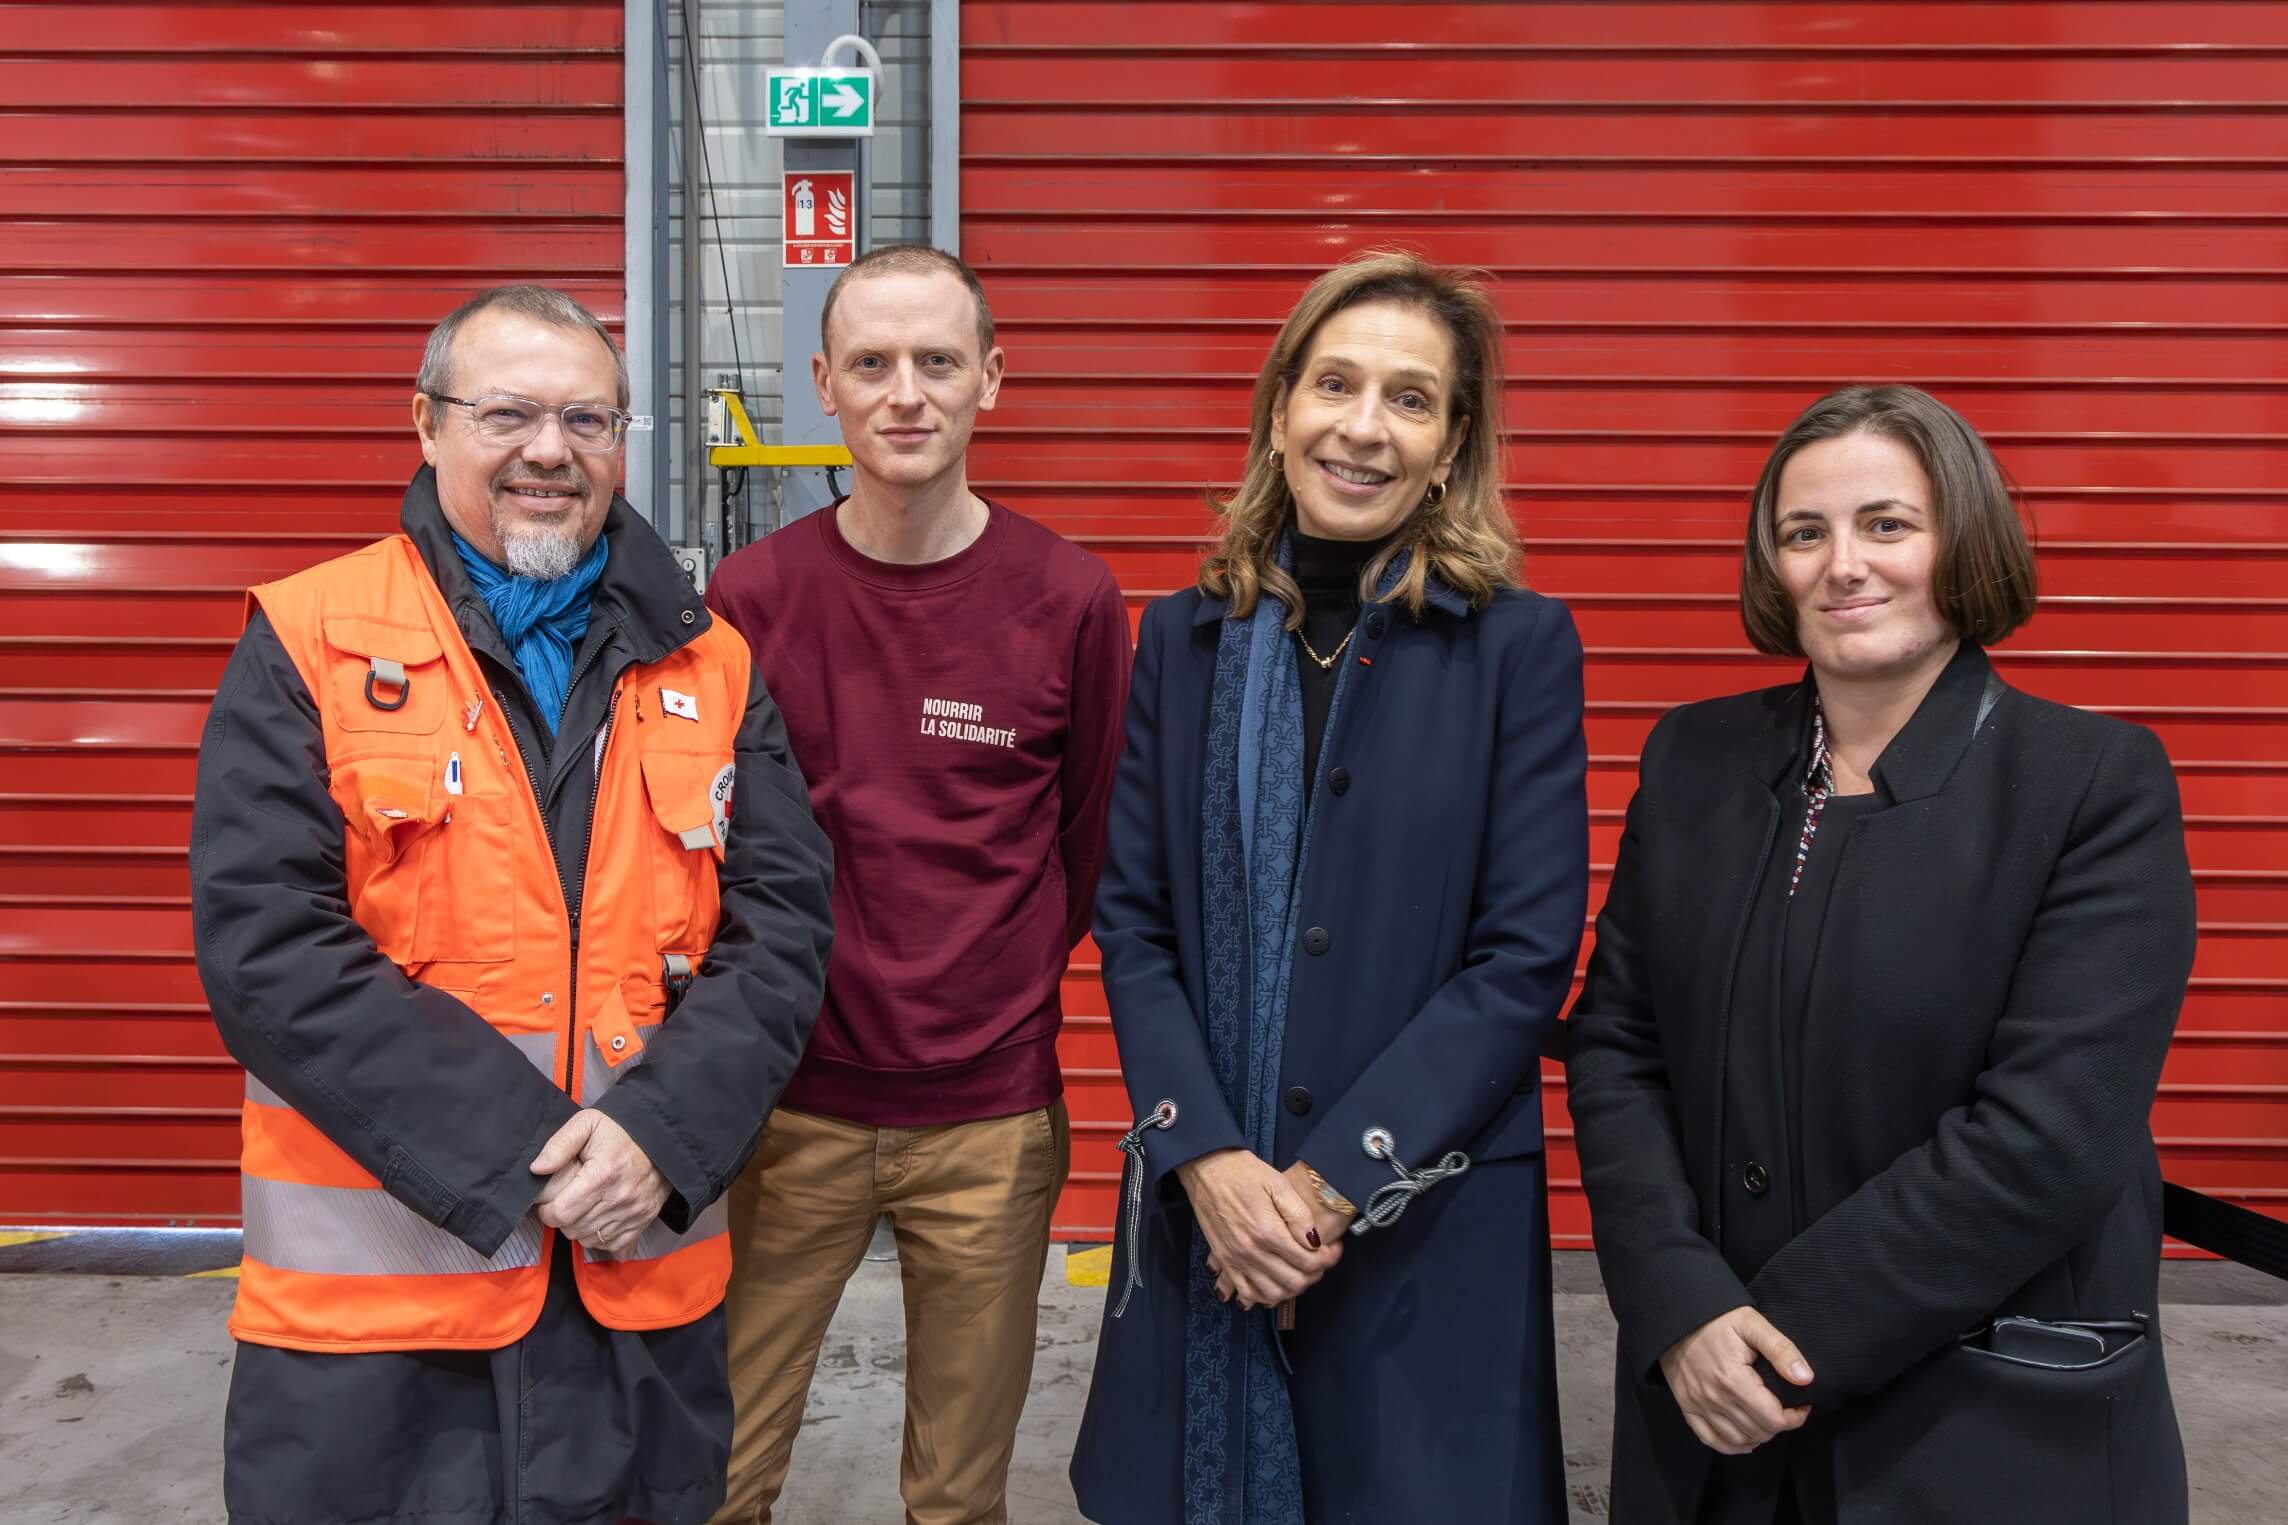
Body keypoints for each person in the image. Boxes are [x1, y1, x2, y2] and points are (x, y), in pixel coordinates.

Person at [190, 283, 836, 1525]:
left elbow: (782, 927)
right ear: (426, 426)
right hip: (380, 1325)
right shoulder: (312, 634)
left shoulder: (710, 660)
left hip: (633, 1283)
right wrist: (525, 1157)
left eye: (589, 421)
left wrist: (660, 1140)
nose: (550, 451)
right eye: (507, 414)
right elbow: (269, 947)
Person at [1565, 385, 2197, 1524]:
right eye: (1804, 533)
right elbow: (1617, 1040)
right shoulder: (1693, 759)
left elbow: (2048, 1136)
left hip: (1976, 1419)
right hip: (1705, 1414)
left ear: (1960, 538)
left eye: (1886, 524)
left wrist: (1774, 1338)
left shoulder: (2090, 783)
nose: (1842, 564)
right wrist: (1675, 1298)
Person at [1068, 251, 1590, 1524]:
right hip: (1207, 1208)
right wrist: (1206, 1161)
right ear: (1280, 407)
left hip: (1423, 1212)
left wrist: (1317, 1189)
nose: (1363, 427)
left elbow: (1521, 958)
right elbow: (1132, 924)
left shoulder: (1514, 647)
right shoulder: (1181, 638)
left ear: (1452, 440)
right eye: (1335, 384)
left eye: (1409, 399)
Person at [701, 245, 1130, 1525]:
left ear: (990, 380)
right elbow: (715, 848)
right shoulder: (750, 598)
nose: (907, 393)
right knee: (717, 1473)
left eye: (938, 361)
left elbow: (1088, 844)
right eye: (874, 364)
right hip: (785, 1115)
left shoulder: (1069, 600)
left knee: (957, 1496)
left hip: (990, 1121)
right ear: (823, 384)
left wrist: (983, 993)